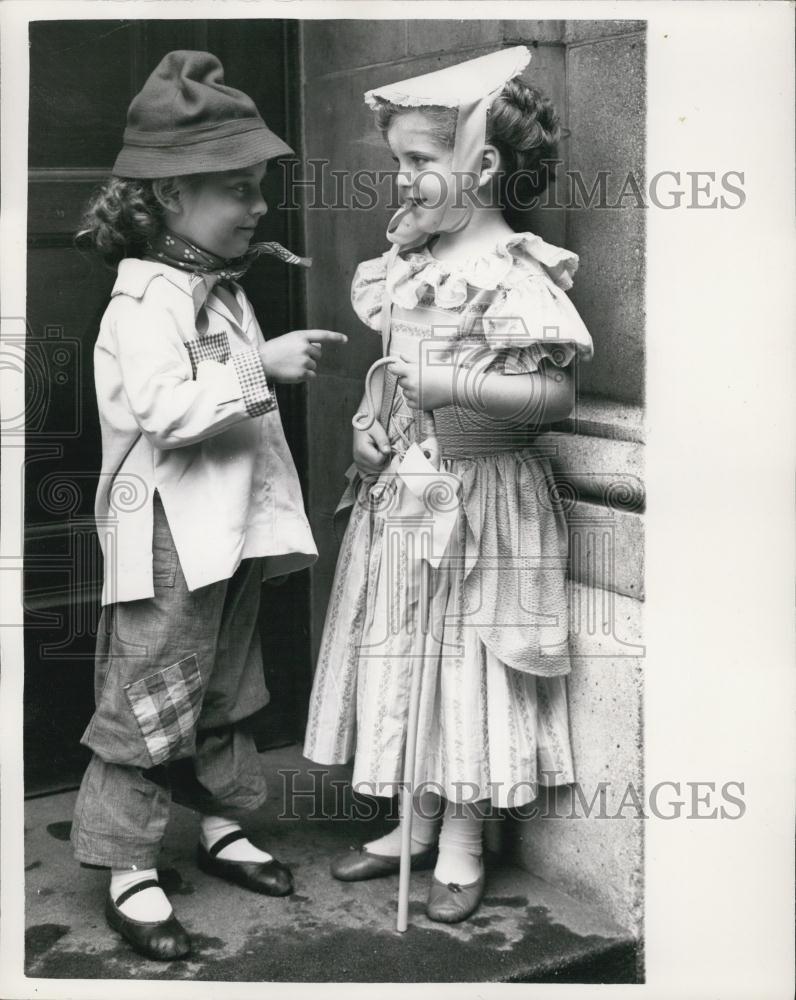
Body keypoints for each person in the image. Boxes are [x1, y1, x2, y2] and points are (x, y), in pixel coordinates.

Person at [303, 46, 593, 924]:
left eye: (420, 163)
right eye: (398, 163)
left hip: (485, 496)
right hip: (411, 492)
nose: (402, 181)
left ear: (485, 166)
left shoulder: (514, 270)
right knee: (408, 653)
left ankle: (464, 837)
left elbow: (555, 394)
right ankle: (413, 823)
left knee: (465, 662)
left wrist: (456, 386)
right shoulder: (410, 265)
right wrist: (371, 428)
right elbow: (392, 377)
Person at [70, 50, 346, 960]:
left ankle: (220, 824)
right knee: (151, 694)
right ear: (170, 199)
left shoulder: (215, 289)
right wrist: (255, 368)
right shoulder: (140, 301)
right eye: (237, 189)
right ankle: (126, 868)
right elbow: (166, 408)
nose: (259, 206)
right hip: (164, 536)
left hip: (221, 533)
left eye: (259, 185)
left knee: (226, 683)